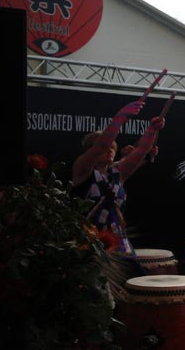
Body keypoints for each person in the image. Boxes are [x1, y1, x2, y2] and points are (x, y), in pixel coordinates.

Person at [71, 100, 165, 256]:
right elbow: (101, 145)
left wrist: (152, 130)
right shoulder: (82, 169)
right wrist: (119, 118)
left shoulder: (118, 173)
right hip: (85, 242)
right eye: (106, 147)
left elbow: (141, 150)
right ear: (90, 150)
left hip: (116, 241)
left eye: (113, 148)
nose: (110, 150)